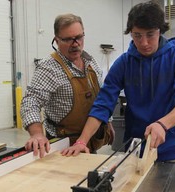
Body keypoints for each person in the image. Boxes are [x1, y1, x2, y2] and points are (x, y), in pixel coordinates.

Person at [61, 1, 175, 163]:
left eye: (150, 34)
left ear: (160, 31)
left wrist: (162, 125)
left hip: (172, 149)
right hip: (135, 149)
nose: (144, 42)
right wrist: (82, 141)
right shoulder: (124, 63)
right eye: (137, 35)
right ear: (131, 33)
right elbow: (102, 105)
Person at [21, 13, 113, 158]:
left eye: (79, 37)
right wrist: (37, 133)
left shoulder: (90, 61)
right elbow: (30, 101)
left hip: (89, 140)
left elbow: (102, 97)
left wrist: (107, 121)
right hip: (63, 147)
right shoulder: (48, 68)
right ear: (56, 40)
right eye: (68, 39)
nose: (75, 44)